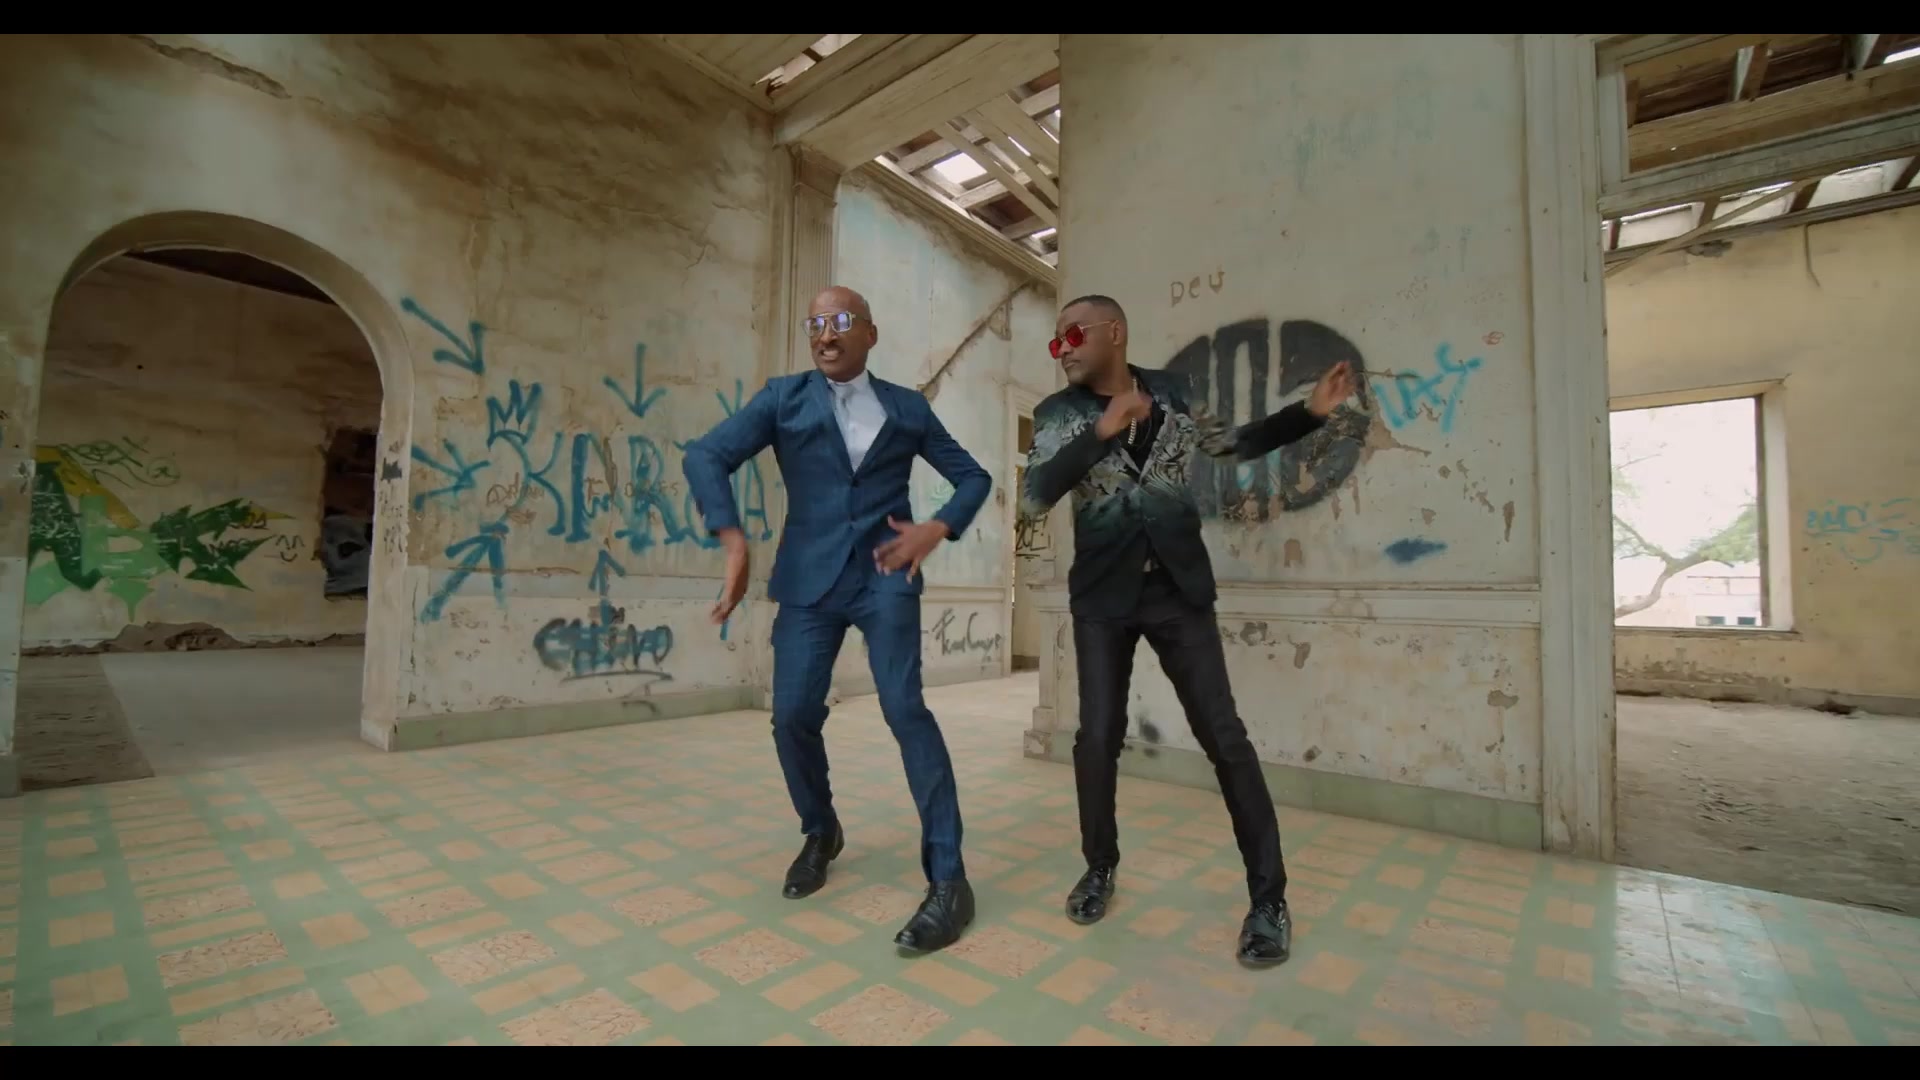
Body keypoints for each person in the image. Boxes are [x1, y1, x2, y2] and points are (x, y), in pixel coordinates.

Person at [1017, 294, 1357, 967]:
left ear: (1114, 332)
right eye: (1056, 343)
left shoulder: (1175, 392)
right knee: (1096, 739)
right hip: (1103, 598)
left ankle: (1269, 901)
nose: (1064, 351)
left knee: (1225, 738)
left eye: (1073, 336)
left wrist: (1309, 413)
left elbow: (1232, 444)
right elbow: (1034, 495)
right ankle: (1099, 866)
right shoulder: (1058, 414)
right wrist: (1101, 431)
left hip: (1178, 591)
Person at [681, 285, 992, 954]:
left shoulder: (908, 408)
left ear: (870, 333)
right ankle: (820, 830)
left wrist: (937, 527)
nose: (826, 333)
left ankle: (948, 879)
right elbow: (705, 454)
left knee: (905, 709)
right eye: (816, 323)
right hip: (809, 581)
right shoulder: (783, 399)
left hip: (886, 573)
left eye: (842, 320)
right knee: (792, 715)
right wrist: (732, 539)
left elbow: (974, 478)